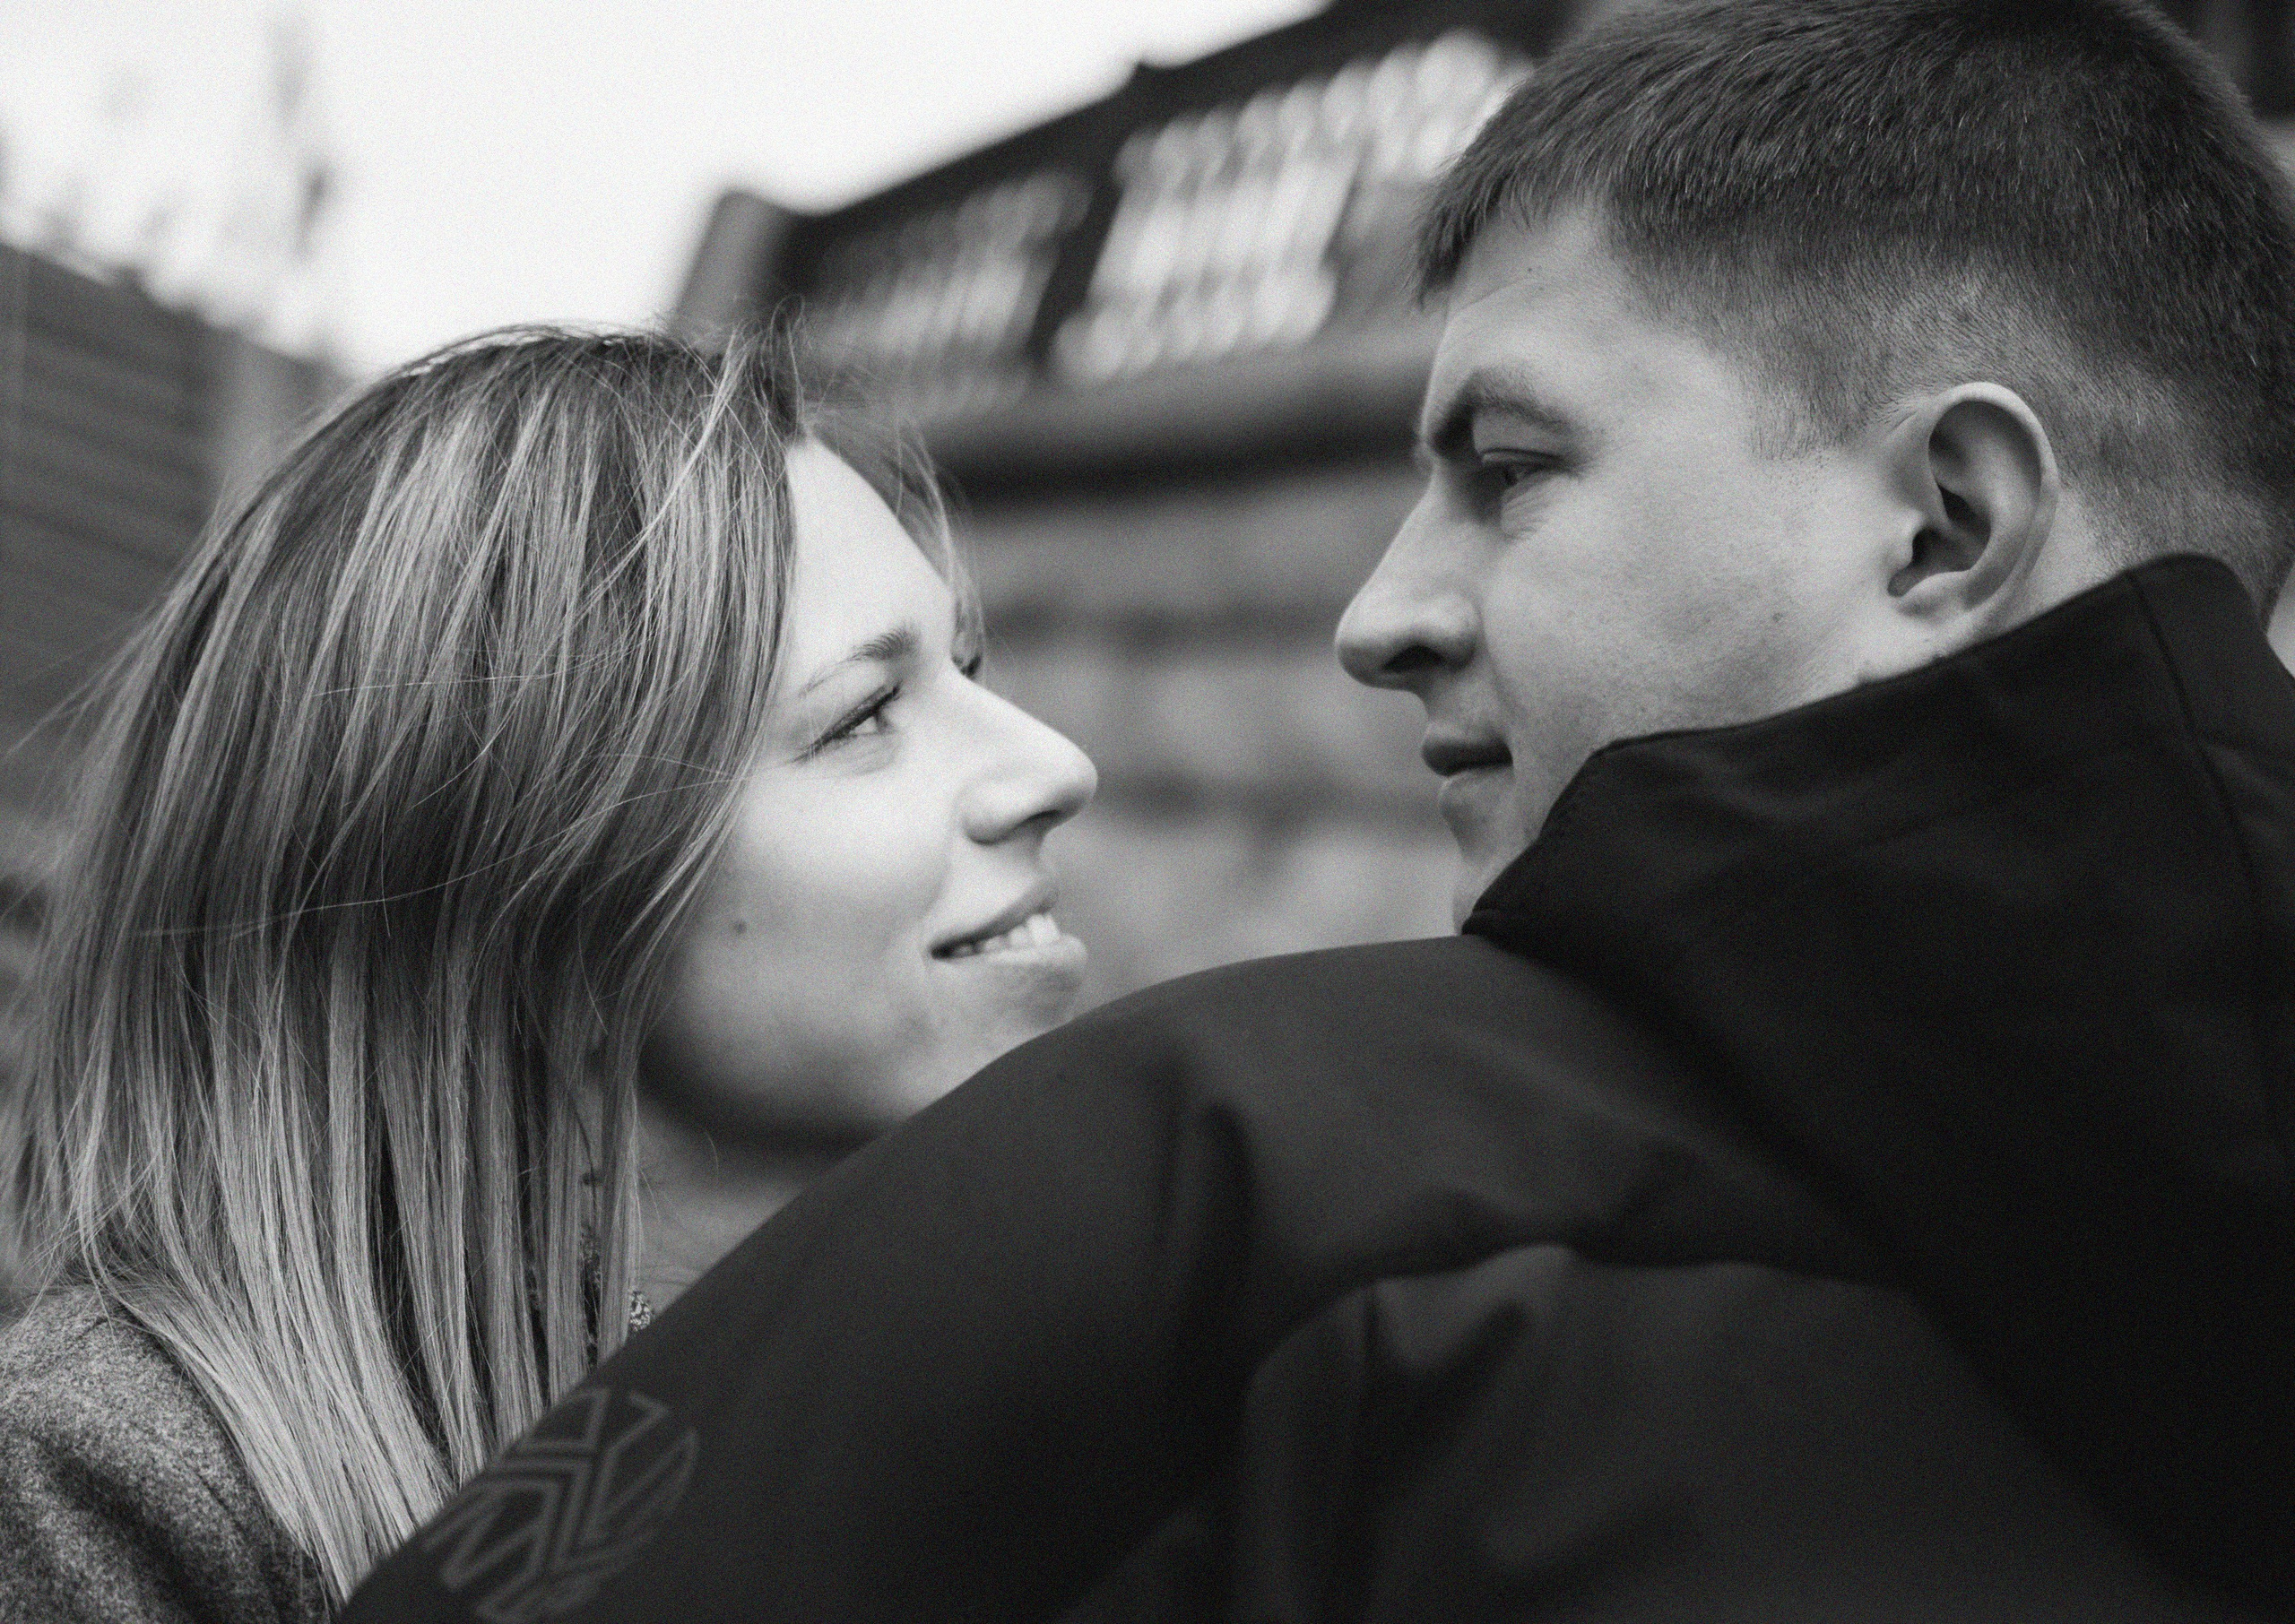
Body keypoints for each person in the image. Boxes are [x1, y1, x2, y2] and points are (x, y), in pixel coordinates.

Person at [346, 1, 2295, 1620]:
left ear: (1944, 521)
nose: (1377, 616)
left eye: (1509, 469)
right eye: (871, 711)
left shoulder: (1230, 1174)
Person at [0, 327, 1096, 1620]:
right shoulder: (130, 1489)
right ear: (534, 900)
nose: (1055, 765)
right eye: (862, 719)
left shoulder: (1073, 1386)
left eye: (969, 667)